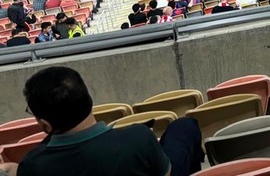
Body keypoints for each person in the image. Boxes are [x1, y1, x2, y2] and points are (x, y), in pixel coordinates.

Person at [13, 66, 202, 176]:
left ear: (46, 124)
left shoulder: (33, 165)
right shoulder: (138, 138)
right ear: (88, 100)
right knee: (184, 126)